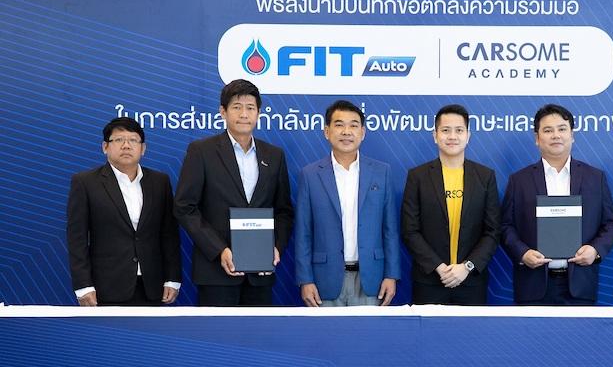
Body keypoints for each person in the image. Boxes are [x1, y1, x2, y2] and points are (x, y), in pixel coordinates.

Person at [174, 79, 293, 306]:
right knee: (216, 329)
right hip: (216, 272)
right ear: (223, 111)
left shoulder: (274, 155)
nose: (244, 114)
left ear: (258, 113)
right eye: (237, 107)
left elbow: (284, 211)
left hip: (260, 273)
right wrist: (219, 250)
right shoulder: (202, 151)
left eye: (250, 108)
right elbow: (185, 207)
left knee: (258, 329)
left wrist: (276, 247)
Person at [501, 103, 613, 305]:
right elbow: (505, 226)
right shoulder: (519, 180)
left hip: (580, 284)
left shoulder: (595, 178)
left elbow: (611, 224)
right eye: (548, 130)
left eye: (562, 129)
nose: (556, 135)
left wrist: (595, 250)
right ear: (537, 138)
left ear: (572, 135)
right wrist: (523, 253)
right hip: (532, 285)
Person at [295, 100, 400, 306]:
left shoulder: (382, 172)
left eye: (353, 125)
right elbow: (303, 232)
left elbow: (390, 229)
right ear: (327, 131)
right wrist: (305, 279)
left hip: (371, 279)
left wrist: (391, 275)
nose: (346, 132)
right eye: (339, 125)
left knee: (368, 329)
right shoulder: (310, 175)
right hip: (324, 280)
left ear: (362, 132)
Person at [67, 117, 181, 306]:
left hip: (152, 286)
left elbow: (169, 234)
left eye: (133, 140)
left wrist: (172, 279)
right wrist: (83, 285)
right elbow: (76, 238)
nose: (126, 145)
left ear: (143, 148)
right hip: (106, 287)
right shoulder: (85, 182)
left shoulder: (160, 182)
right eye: (119, 140)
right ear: (105, 147)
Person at [402, 104, 500, 305]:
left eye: (459, 130)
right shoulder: (417, 177)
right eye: (446, 130)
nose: (452, 136)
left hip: (471, 282)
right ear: (435, 135)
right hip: (429, 281)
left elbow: (492, 231)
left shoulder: (485, 177)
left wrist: (467, 267)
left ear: (468, 135)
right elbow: (410, 231)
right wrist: (438, 267)